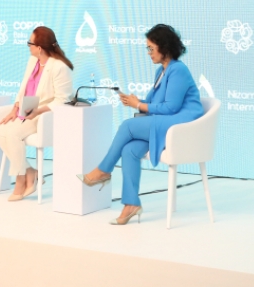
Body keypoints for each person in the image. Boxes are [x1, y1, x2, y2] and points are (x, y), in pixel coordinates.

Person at [80, 24, 203, 225]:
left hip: (181, 124)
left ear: (165, 47)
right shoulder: (161, 71)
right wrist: (137, 102)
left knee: (127, 126)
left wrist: (138, 105)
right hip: (167, 122)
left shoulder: (178, 70)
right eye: (147, 48)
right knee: (129, 150)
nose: (148, 53)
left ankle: (103, 170)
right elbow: (155, 103)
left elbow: (171, 107)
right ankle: (131, 204)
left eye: (151, 48)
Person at [0, 26, 73, 201]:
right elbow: (24, 87)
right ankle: (30, 171)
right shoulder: (33, 61)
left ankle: (20, 179)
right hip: (27, 110)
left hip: (44, 115)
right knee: (0, 131)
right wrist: (15, 108)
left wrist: (38, 111)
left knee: (13, 134)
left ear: (39, 47)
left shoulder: (59, 67)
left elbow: (63, 100)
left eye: (30, 43)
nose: (28, 46)